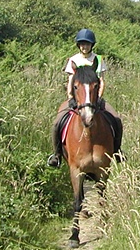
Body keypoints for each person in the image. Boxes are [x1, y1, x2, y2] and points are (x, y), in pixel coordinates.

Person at [47, 28, 123, 167]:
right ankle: (57, 154)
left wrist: (99, 97)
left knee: (116, 119)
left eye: (87, 44)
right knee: (57, 123)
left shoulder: (98, 59)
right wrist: (70, 96)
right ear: (78, 45)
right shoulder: (73, 60)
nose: (84, 46)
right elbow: (71, 80)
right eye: (82, 44)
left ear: (91, 45)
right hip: (77, 99)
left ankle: (117, 151)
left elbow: (101, 80)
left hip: (95, 98)